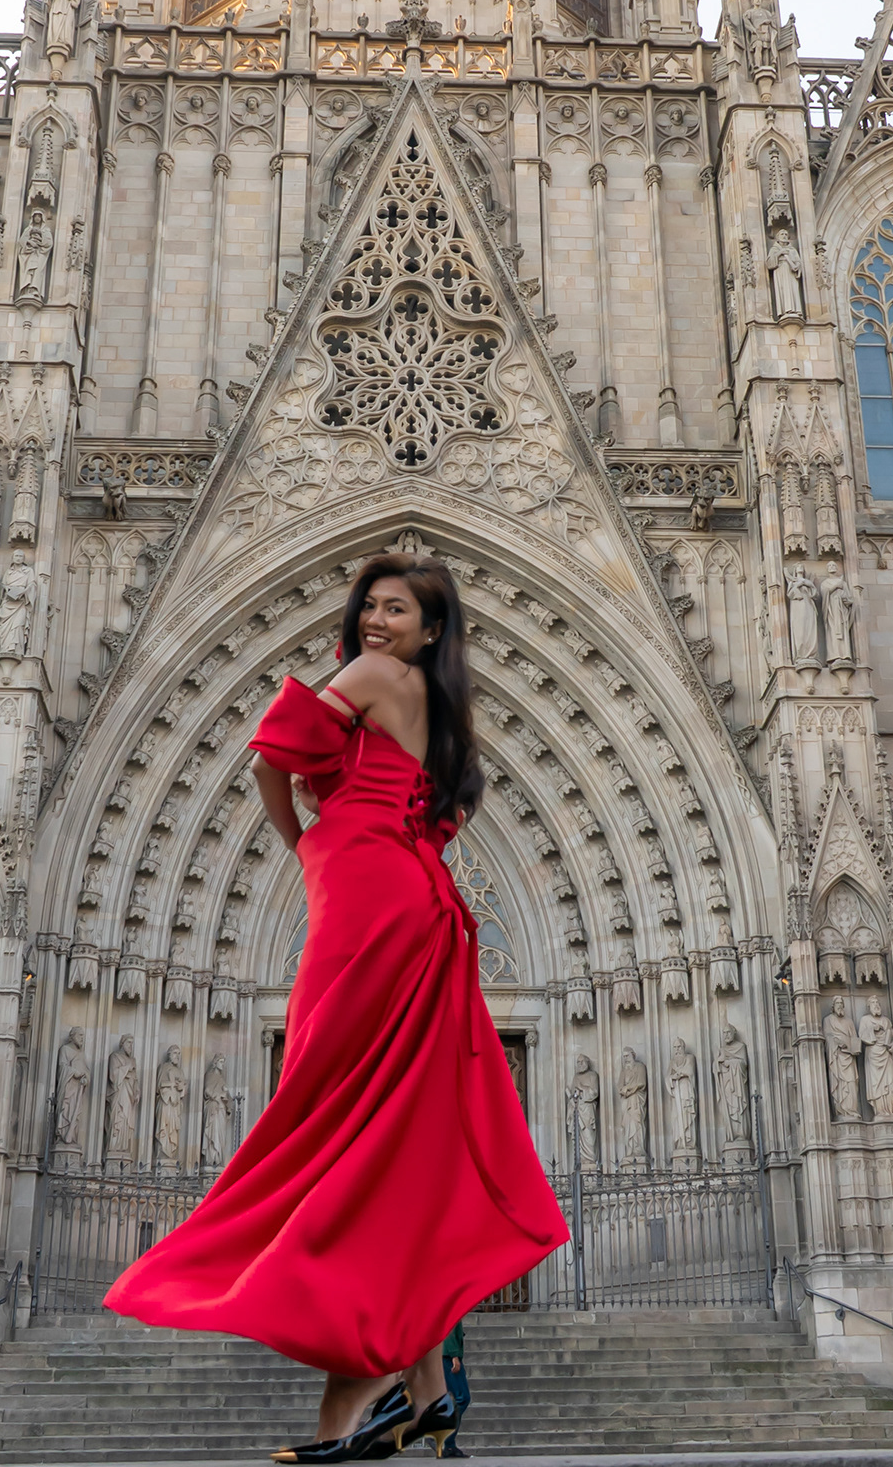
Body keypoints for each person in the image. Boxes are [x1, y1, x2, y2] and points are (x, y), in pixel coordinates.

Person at [104, 553, 566, 1462]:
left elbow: (272, 756)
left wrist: (304, 846)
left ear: (431, 630)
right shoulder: (443, 716)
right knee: (391, 1137)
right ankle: (425, 1391)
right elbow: (428, 817)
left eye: (396, 611)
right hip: (424, 908)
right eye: (369, 608)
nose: (374, 622)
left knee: (334, 1116)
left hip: (365, 899)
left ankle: (377, 1389)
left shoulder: (366, 678)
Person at [436, 1320, 470, 1458]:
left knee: (454, 1399)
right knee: (461, 1398)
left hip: (445, 1354)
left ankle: (449, 1445)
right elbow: (448, 1326)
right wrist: (454, 1355)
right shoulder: (451, 1300)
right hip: (448, 1356)